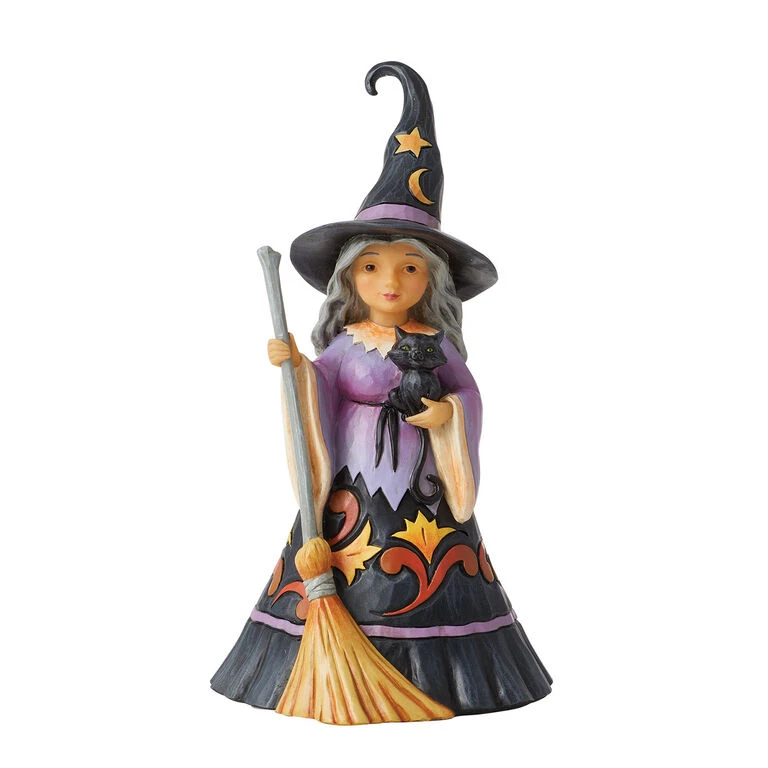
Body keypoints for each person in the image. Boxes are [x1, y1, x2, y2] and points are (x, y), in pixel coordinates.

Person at [211, 61, 552, 718]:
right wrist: (297, 369)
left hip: (424, 489)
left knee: (434, 562)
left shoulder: (437, 342)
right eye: (372, 267)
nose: (390, 283)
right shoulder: (345, 345)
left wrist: (447, 414)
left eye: (408, 269)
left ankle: (447, 670)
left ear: (432, 280)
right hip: (354, 489)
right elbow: (320, 390)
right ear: (349, 278)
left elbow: (469, 396)